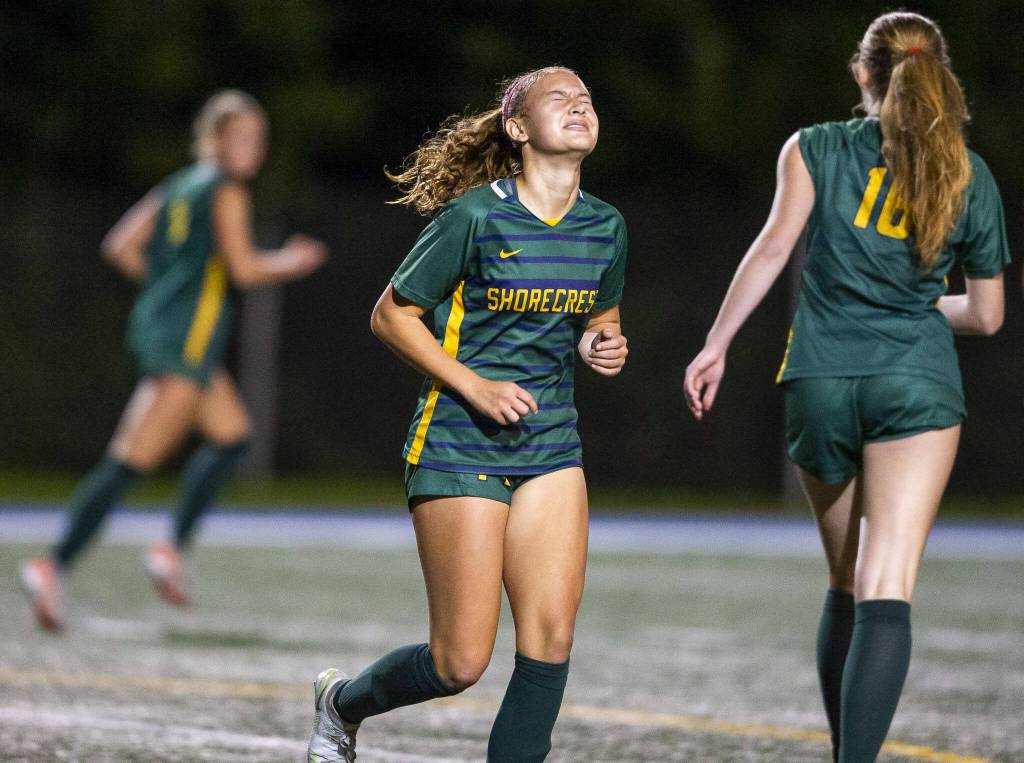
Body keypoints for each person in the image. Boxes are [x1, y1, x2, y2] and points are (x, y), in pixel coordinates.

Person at [684, 12, 1009, 762]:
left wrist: (716, 344)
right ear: (941, 75)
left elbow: (773, 248)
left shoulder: (814, 147)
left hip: (821, 379)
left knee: (843, 581)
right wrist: (914, 307)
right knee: (885, 583)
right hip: (915, 384)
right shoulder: (969, 171)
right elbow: (988, 315)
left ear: (863, 72)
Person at [307, 66, 628, 763]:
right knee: (460, 661)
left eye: (586, 99)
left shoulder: (606, 225)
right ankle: (342, 704)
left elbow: (598, 320)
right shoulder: (475, 217)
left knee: (550, 640)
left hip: (550, 446)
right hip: (458, 442)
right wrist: (476, 387)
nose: (580, 104)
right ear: (518, 128)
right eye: (559, 98)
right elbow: (391, 317)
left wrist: (601, 343)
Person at [19, 90, 326, 631]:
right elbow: (244, 270)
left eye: (259, 139)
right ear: (216, 139)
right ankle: (53, 564)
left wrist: (165, 289)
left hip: (167, 331)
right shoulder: (226, 190)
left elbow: (121, 246)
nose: (253, 148)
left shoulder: (178, 185)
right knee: (130, 460)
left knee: (232, 436)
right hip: (188, 340)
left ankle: (170, 550)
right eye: (241, 137)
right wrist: (293, 261)